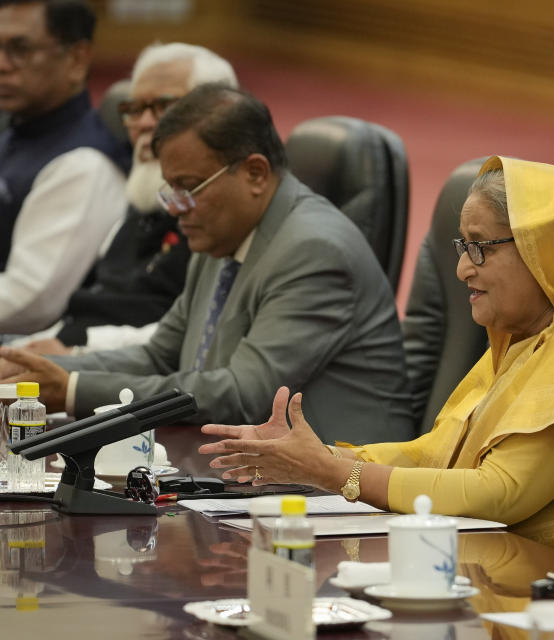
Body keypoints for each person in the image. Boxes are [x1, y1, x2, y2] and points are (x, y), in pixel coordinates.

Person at [199, 156, 554, 559]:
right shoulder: (529, 332)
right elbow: (441, 453)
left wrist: (333, 472)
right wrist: (323, 454)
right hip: (503, 564)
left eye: (481, 247)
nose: (463, 270)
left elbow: (498, 492)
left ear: (544, 244)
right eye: (462, 248)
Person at [0, 84, 415, 444]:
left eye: (188, 188)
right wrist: (35, 372)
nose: (177, 209)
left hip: (343, 490)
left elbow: (244, 394)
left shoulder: (315, 250)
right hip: (249, 468)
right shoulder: (220, 235)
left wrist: (72, 388)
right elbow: (161, 356)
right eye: (171, 189)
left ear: (255, 173)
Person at [15, 42, 237, 355]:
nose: (145, 123)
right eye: (135, 109)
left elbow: (196, 335)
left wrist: (77, 355)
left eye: (165, 107)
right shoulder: (143, 194)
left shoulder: (223, 212)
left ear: (219, 116)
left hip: (123, 375)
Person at [0, 0, 128, 334]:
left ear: (76, 59)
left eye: (19, 50)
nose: (2, 64)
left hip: (27, 372)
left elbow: (28, 303)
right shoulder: (17, 130)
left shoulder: (83, 164)